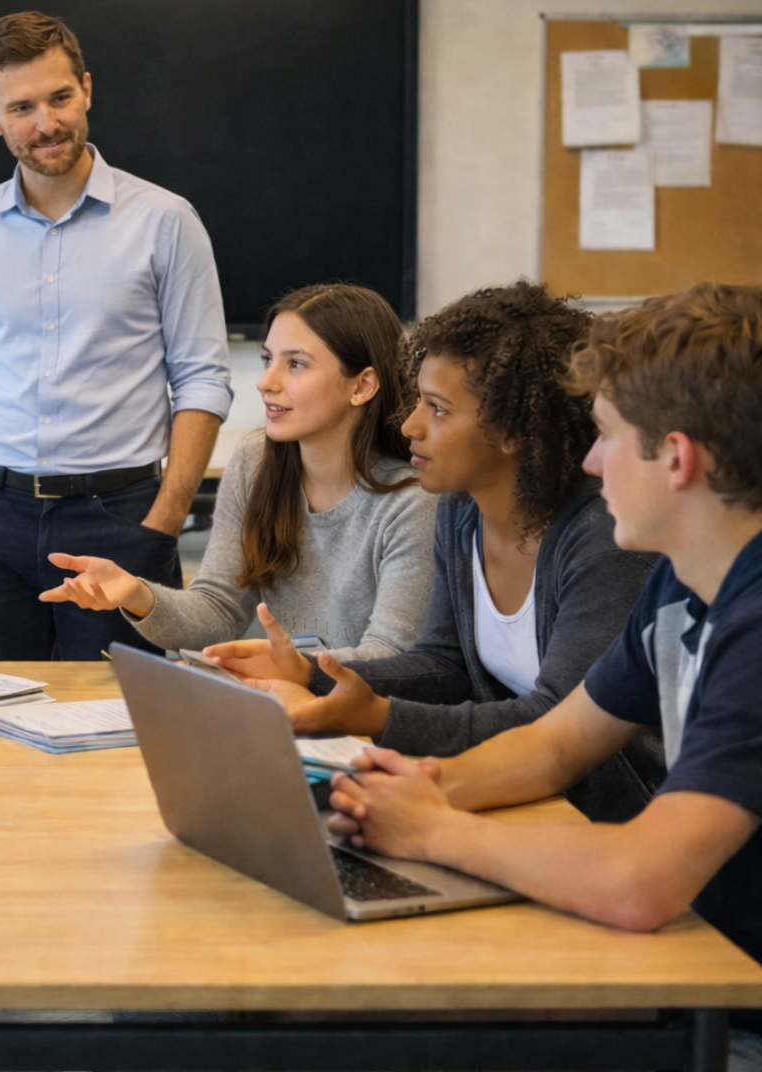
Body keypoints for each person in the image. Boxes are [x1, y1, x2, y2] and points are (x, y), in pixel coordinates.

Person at [326, 283, 762, 1066]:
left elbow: (640, 880)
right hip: (703, 962)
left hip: (733, 1004)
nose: (590, 461)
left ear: (679, 458)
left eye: (604, 437)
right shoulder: (684, 575)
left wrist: (437, 831)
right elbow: (556, 742)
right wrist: (409, 794)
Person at [209, 282, 662, 822]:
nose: (409, 425)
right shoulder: (461, 509)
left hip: (612, 815)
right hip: (514, 793)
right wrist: (309, 675)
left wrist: (381, 717)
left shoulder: (602, 539)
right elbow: (443, 664)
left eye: (439, 409)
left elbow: (555, 722)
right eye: (418, 400)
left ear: (513, 431)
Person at [0, 10, 233, 662]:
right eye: (22, 107)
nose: (46, 123)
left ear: (86, 89)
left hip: (122, 517)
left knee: (125, 722)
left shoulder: (167, 222)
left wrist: (167, 516)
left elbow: (202, 378)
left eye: (60, 97)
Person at [41, 283, 435, 661]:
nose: (266, 382)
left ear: (362, 385)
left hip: (363, 721)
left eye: (295, 364)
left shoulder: (413, 501)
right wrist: (136, 593)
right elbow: (218, 611)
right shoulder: (255, 463)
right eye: (268, 359)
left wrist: (282, 667)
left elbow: (391, 657)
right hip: (283, 703)